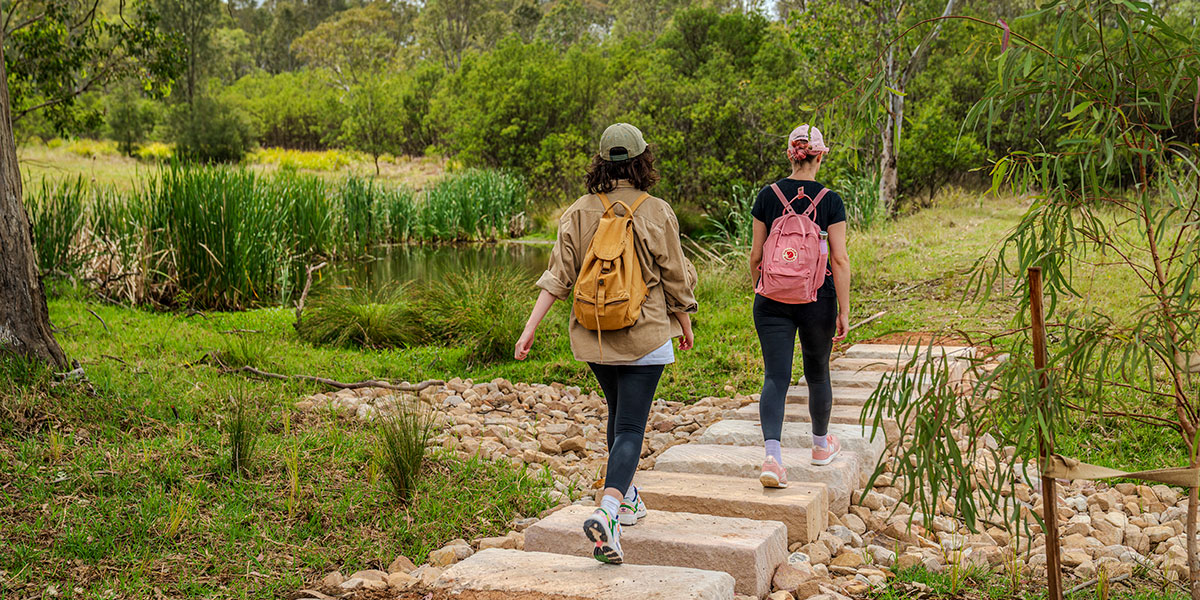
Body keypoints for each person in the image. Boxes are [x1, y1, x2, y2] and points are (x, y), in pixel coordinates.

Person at [515, 123, 697, 564]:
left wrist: (530, 327)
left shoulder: (577, 212)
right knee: (633, 427)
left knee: (618, 418)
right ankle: (610, 511)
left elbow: (558, 277)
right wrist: (684, 319)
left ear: (601, 161)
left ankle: (629, 499)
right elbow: (674, 274)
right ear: (642, 161)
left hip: (594, 335)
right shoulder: (656, 211)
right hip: (646, 331)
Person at [749, 124, 851, 488]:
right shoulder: (831, 200)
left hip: (772, 298)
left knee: (775, 377)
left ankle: (773, 459)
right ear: (820, 155)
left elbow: (757, 255)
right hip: (817, 297)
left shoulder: (768, 195)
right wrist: (843, 309)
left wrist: (761, 288)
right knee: (818, 373)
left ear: (790, 154)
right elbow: (839, 260)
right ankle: (821, 446)